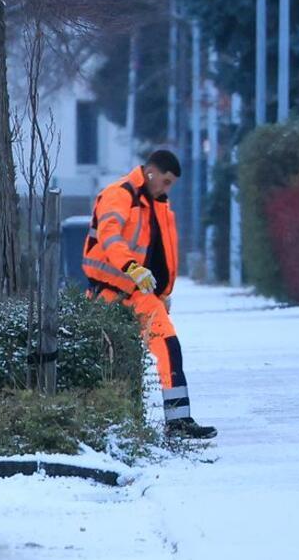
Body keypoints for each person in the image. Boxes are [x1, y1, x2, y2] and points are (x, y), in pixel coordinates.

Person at [82, 149, 214, 439]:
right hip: (111, 290)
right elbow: (110, 236)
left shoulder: (155, 203)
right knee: (110, 358)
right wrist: (132, 268)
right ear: (151, 173)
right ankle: (109, 422)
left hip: (139, 291)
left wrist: (163, 292)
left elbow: (159, 251)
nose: (167, 189)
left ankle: (178, 420)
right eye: (166, 181)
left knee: (168, 346)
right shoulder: (120, 194)